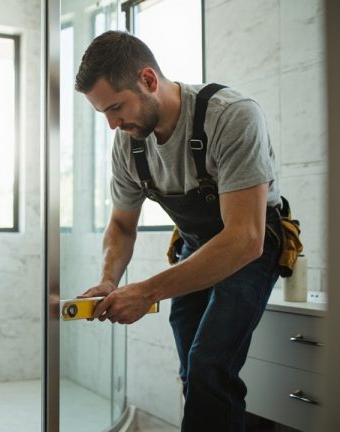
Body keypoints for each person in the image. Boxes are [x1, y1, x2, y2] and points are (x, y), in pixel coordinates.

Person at [75, 31, 283, 431]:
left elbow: (245, 238)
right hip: (195, 245)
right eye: (103, 113)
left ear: (149, 80)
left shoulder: (231, 116)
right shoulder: (129, 143)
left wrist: (147, 291)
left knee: (209, 365)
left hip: (252, 244)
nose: (112, 125)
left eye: (116, 107)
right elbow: (121, 224)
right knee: (193, 370)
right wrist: (108, 279)